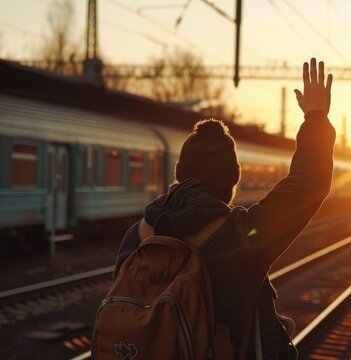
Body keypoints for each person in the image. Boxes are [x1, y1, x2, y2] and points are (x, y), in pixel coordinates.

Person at [112, 58, 335, 359]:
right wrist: (316, 116)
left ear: (179, 173)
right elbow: (307, 184)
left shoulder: (138, 236)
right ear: (233, 180)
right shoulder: (241, 237)